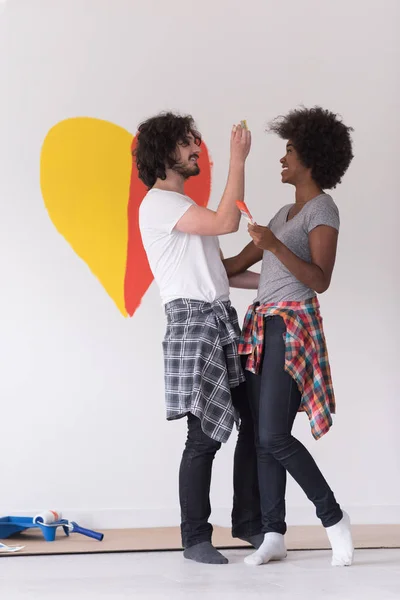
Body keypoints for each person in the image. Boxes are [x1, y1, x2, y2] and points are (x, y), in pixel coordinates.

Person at [224, 106, 355, 567]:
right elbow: (236, 268)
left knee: (276, 436)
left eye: (289, 151)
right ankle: (272, 533)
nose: (282, 158)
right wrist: (187, 259)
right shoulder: (282, 212)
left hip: (293, 328)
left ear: (311, 159)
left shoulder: (322, 209)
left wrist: (274, 246)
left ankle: (334, 519)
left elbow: (320, 279)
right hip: (263, 327)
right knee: (261, 435)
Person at [137, 112, 262, 564]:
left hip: (218, 317)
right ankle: (195, 538)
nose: (196, 149)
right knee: (204, 436)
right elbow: (227, 221)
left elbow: (221, 272)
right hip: (193, 322)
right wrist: (238, 159)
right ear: (163, 152)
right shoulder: (159, 204)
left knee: (252, 423)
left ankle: (249, 522)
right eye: (188, 143)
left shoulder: (186, 211)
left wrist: (278, 279)